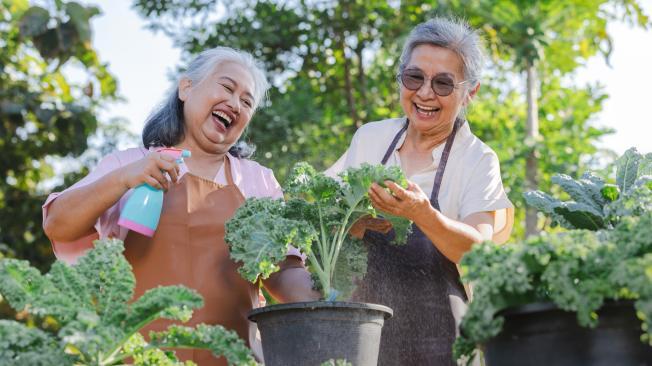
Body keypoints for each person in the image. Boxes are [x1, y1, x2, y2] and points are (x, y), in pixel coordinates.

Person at [43, 47, 317, 365]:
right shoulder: (129, 164)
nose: (235, 104)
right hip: (134, 357)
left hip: (233, 358)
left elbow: (284, 274)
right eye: (227, 88)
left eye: (247, 102)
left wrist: (333, 286)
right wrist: (122, 180)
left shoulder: (259, 183)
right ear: (186, 88)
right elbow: (57, 223)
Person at [326, 17, 514, 365]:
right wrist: (354, 224)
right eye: (415, 78)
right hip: (359, 344)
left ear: (470, 92)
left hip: (442, 348)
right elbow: (323, 222)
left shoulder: (477, 159)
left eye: (443, 84)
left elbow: (479, 253)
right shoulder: (370, 139)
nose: (425, 93)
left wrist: (422, 214)